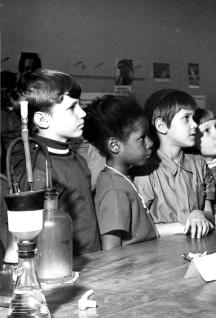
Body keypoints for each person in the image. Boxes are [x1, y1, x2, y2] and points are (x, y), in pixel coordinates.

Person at [12, 68, 101, 256]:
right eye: (72, 108)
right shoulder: (36, 168)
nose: (83, 113)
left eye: (80, 105)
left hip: (94, 261)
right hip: (60, 268)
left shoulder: (77, 159)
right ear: (43, 119)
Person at [134, 89, 215, 239]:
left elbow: (209, 213)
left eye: (194, 118)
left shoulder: (200, 164)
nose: (194, 125)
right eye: (186, 117)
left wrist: (200, 214)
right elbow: (139, 229)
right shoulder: (145, 172)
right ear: (162, 126)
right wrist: (179, 227)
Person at [83, 95, 159, 250]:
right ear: (115, 146)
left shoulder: (121, 180)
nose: (150, 143)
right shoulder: (114, 190)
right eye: (142, 138)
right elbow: (111, 251)